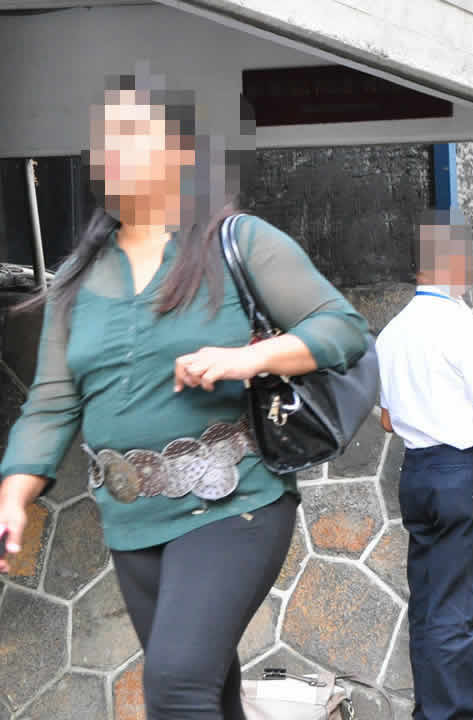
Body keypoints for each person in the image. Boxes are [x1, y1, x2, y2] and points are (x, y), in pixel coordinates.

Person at [0, 71, 370, 719]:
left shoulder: (238, 242)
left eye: (133, 135)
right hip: (131, 520)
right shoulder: (77, 280)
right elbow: (51, 404)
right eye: (105, 140)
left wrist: (247, 358)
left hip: (233, 502)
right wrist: (12, 498)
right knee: (206, 693)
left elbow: (343, 329)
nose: (114, 153)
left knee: (175, 685)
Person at [377, 211, 473, 720]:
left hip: (418, 473)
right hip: (463, 473)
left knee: (429, 607)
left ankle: (432, 712)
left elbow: (387, 420)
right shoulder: (467, 328)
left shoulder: (392, 333)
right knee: (459, 613)